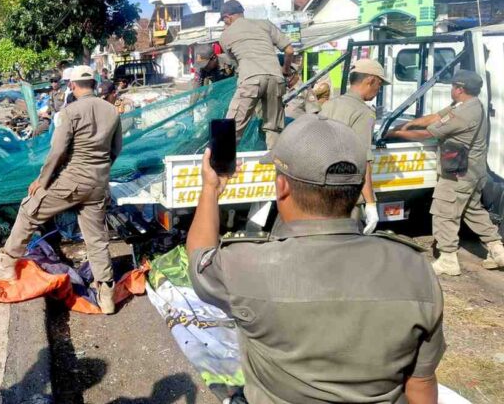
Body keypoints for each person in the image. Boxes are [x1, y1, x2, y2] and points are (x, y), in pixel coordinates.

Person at [188, 115, 445, 403]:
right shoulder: (415, 270)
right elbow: (421, 382)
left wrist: (210, 189)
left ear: (282, 186)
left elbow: (199, 257)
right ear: (359, 185)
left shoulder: (245, 266)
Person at [0, 66, 123, 314]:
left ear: (72, 86)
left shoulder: (70, 112)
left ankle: (7, 264)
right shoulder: (111, 111)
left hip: (72, 180)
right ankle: (106, 295)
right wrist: (100, 171)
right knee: (96, 238)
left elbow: (58, 151)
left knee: (30, 210)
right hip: (98, 182)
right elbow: (116, 149)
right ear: (94, 83)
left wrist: (42, 181)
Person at [386, 69, 504, 275]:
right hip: (473, 172)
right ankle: (497, 249)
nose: (451, 89)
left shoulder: (466, 114)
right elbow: (435, 117)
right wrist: (409, 122)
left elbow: (428, 133)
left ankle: (448, 259)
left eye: (452, 86)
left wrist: (395, 133)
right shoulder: (467, 105)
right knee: (472, 210)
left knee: (444, 212)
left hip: (459, 173)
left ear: (459, 89)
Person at [319, 58, 389, 234]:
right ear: (370, 80)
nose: (378, 90)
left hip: (321, 188)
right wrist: (371, 203)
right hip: (346, 193)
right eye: (379, 85)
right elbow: (363, 161)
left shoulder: (329, 105)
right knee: (347, 243)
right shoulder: (363, 113)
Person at [218, 0, 294, 148]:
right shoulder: (265, 24)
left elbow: (235, 61)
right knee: (274, 126)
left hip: (250, 79)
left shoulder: (225, 35)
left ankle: (222, 166)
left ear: (228, 17)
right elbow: (289, 50)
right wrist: (286, 69)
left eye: (224, 20)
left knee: (230, 127)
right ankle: (274, 164)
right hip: (276, 78)